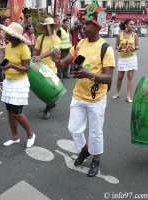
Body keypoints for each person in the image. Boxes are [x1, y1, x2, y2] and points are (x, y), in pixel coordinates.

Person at [51, 5, 115, 177]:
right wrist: (57, 61)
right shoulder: (80, 44)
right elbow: (65, 63)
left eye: (87, 24)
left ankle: (96, 160)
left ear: (97, 26)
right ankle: (85, 150)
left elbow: (108, 77)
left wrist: (90, 75)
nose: (83, 27)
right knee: (74, 129)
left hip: (96, 98)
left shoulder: (105, 49)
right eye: (83, 24)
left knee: (95, 132)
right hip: (78, 96)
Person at [0, 22, 36, 148]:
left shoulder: (24, 48)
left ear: (14, 36)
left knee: (17, 113)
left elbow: (27, 69)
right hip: (8, 82)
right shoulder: (8, 46)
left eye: (8, 33)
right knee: (10, 112)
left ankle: (31, 135)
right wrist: (3, 66)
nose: (5, 34)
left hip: (19, 84)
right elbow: (7, 61)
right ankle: (15, 137)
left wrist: (12, 66)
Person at [33, 17, 61, 119]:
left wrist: (40, 56)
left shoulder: (56, 39)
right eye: (47, 26)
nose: (49, 27)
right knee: (43, 88)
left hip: (52, 67)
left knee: (51, 88)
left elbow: (53, 51)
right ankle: (51, 104)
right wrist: (33, 59)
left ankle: (47, 109)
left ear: (53, 26)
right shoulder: (41, 38)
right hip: (41, 66)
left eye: (50, 25)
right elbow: (36, 50)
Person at [112, 19, 139, 102]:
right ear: (126, 25)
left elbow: (137, 46)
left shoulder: (134, 35)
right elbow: (116, 46)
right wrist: (119, 48)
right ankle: (117, 92)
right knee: (120, 77)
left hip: (132, 58)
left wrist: (133, 48)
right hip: (122, 58)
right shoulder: (119, 35)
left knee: (130, 77)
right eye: (131, 24)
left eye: (133, 24)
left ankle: (128, 96)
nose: (133, 26)